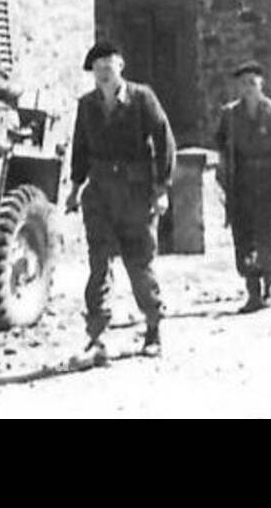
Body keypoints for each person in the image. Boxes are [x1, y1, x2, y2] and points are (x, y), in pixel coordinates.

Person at [66, 41, 175, 363]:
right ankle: (96, 337)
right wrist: (75, 187)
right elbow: (80, 147)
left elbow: (164, 138)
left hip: (135, 194)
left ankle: (153, 329)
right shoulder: (87, 105)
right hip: (99, 193)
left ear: (120, 66)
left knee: (138, 262)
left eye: (108, 66)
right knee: (98, 263)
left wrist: (162, 187)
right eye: (97, 69)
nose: (102, 73)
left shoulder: (142, 98)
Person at [215, 60, 271, 313]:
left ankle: (269, 287)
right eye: (243, 83)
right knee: (243, 240)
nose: (248, 88)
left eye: (252, 82)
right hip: (242, 185)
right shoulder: (229, 115)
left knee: (266, 239)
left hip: (269, 185)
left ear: (261, 85)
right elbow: (222, 147)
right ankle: (253, 292)